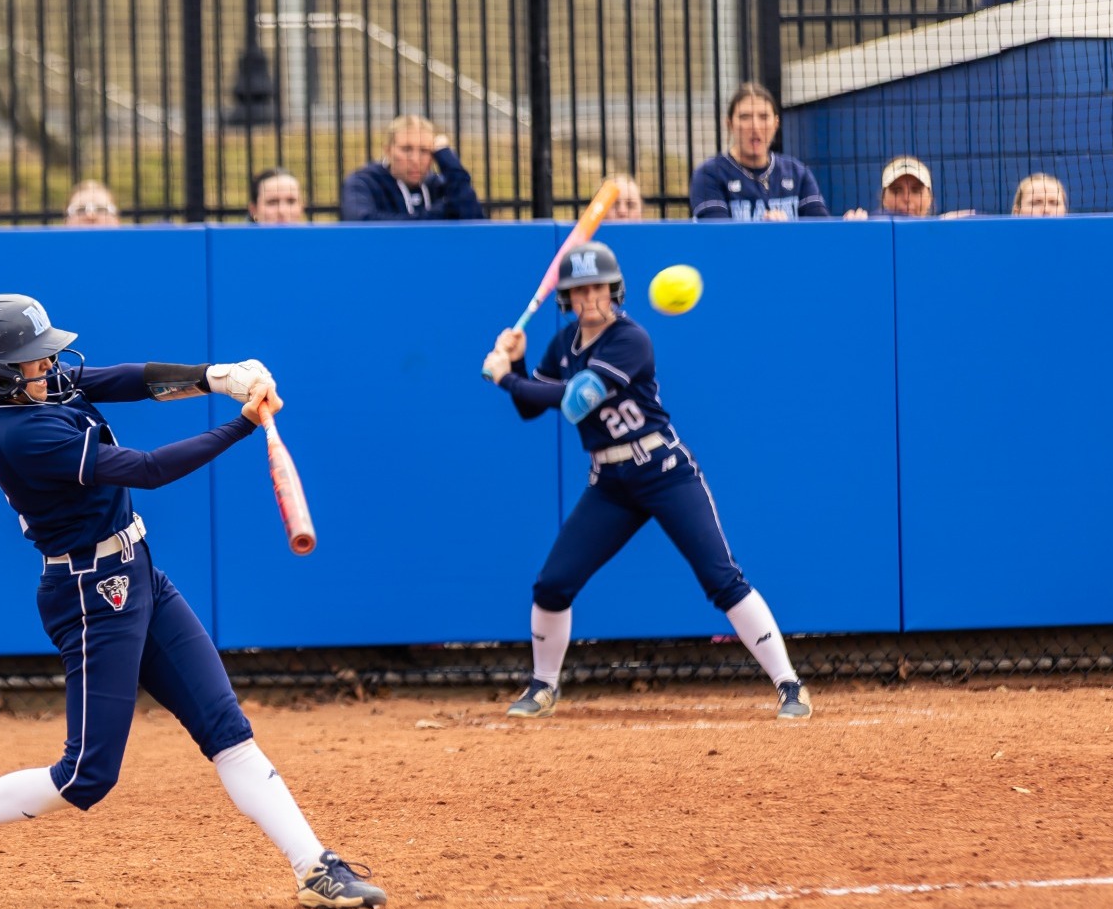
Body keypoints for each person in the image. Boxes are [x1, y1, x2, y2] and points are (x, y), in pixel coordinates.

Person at [0, 294, 385, 909]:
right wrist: (242, 424)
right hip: (89, 593)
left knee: (226, 729)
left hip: (138, 569)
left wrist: (215, 377)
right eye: (32, 360)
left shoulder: (29, 390)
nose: (48, 366)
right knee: (84, 777)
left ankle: (315, 866)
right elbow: (146, 469)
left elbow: (125, 380)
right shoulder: (18, 431)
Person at [481, 242, 810, 721]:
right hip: (610, 481)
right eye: (578, 290)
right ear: (567, 299)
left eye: (598, 287)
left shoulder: (630, 339)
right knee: (552, 584)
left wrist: (504, 378)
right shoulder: (563, 344)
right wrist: (515, 365)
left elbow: (576, 402)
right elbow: (532, 408)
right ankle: (542, 687)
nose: (590, 298)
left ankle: (790, 685)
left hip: (663, 471)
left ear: (614, 290)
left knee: (722, 578)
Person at [689, 83, 832, 221]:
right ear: (729, 124)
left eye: (763, 117)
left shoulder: (798, 173)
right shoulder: (710, 174)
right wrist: (766, 234)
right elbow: (717, 238)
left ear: (776, 123)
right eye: (745, 117)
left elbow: (823, 232)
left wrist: (851, 225)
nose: (755, 127)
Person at [340, 115, 484, 221]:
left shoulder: (438, 185)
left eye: (424, 150)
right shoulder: (363, 182)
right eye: (406, 149)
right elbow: (363, 222)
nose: (415, 160)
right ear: (388, 150)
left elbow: (474, 218)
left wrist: (447, 158)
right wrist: (440, 214)